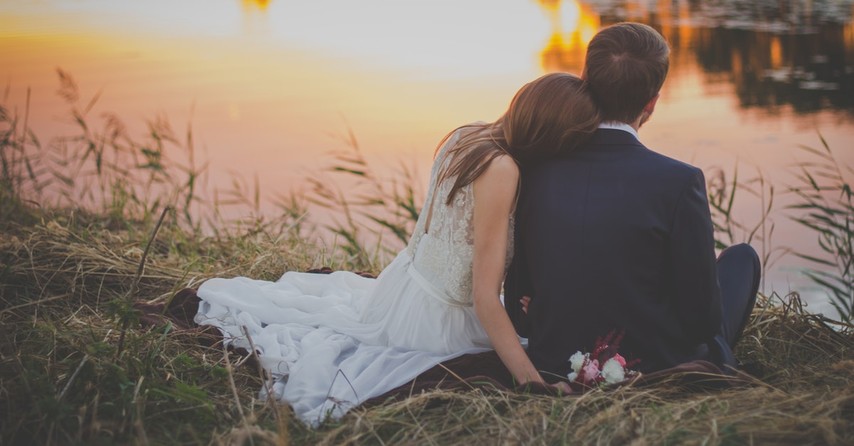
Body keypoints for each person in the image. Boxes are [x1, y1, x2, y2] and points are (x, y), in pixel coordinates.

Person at [194, 72, 600, 425]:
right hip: (436, 320)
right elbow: (482, 296)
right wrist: (531, 384)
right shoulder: (503, 169)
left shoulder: (469, 134)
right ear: (553, 137)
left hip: (402, 287)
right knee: (529, 356)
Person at [504, 22, 761, 379]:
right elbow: (702, 321)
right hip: (651, 362)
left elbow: (518, 307)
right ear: (652, 102)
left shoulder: (533, 172)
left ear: (585, 82)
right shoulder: (679, 181)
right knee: (742, 260)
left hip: (555, 359)